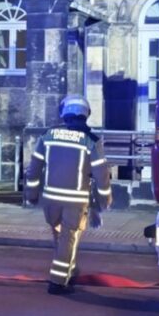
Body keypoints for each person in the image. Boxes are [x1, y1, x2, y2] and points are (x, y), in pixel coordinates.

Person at [24, 95, 111, 295]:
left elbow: (34, 168)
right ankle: (58, 281)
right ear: (85, 115)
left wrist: (31, 194)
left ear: (64, 114)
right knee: (68, 239)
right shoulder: (91, 141)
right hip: (75, 201)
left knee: (60, 237)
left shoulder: (48, 136)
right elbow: (101, 175)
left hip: (50, 200)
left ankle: (68, 269)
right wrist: (104, 201)